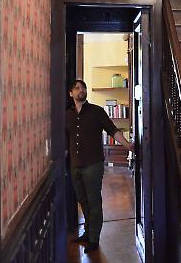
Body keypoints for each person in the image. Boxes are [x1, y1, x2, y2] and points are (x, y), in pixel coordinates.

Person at [66, 79, 134, 252]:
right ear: (71, 94)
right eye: (78, 88)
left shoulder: (97, 112)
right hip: (75, 165)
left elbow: (113, 130)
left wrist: (128, 145)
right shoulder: (67, 115)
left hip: (93, 165)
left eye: (84, 88)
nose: (82, 90)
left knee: (94, 201)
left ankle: (94, 239)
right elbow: (64, 139)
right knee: (83, 201)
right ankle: (88, 233)